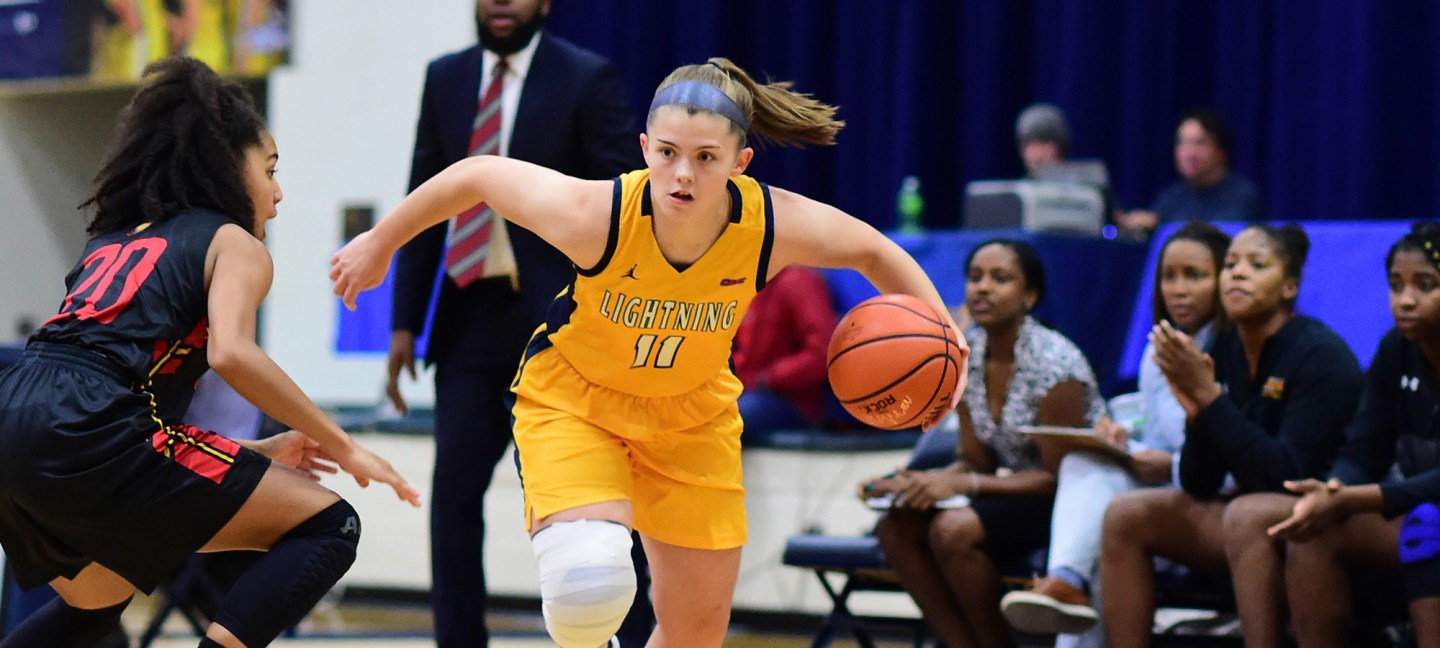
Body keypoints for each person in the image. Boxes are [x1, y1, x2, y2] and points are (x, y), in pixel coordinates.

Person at [331, 56, 966, 648]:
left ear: (741, 162)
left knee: (695, 631)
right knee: (588, 586)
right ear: (644, 149)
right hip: (577, 403)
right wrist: (380, 242)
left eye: (706, 157)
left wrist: (949, 342)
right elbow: (476, 174)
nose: (683, 173)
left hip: (693, 417)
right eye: (668, 153)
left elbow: (875, 252)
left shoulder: (771, 224)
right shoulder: (598, 214)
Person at [0, 57, 418, 648]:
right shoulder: (232, 242)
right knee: (332, 523)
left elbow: (117, 400)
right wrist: (345, 446)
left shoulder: (114, 241)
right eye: (270, 170)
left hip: (15, 412)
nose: (278, 193)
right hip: (89, 422)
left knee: (96, 602)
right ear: (225, 163)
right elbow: (232, 354)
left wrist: (255, 453)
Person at [383, 1, 651, 645]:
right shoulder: (446, 77)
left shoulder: (585, 76)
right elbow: (423, 199)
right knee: (453, 498)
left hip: (564, 324)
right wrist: (403, 325)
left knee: (593, 498)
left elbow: (625, 207)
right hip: (468, 315)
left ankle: (634, 636)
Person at [1098, 224, 1364, 648]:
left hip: (1323, 511)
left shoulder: (1320, 355)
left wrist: (1210, 402)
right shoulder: (1225, 348)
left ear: (1289, 287)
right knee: (1125, 513)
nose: (1238, 273)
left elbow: (1288, 475)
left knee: (1246, 514)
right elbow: (1198, 482)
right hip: (1248, 510)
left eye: (1257, 265)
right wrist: (1198, 418)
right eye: (1231, 264)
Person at [860, 239, 1108, 648]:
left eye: (1000, 278)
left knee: (953, 530)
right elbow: (975, 459)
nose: (983, 288)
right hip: (1013, 491)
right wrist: (916, 482)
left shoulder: (1057, 365)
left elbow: (1057, 478)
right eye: (975, 277)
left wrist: (963, 484)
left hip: (1070, 501)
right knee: (896, 527)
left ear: (1030, 297)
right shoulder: (962, 356)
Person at [999, 221, 1231, 640]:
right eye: (1169, 276)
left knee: (1115, 521)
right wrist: (1124, 437)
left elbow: (1239, 453)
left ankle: (1066, 584)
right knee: (1083, 462)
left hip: (1213, 495)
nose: (1178, 289)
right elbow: (1159, 432)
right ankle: (1065, 582)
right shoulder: (1158, 350)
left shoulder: (1236, 351)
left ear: (1224, 280)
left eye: (1194, 275)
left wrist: (1172, 465)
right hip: (1166, 485)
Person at [1215, 223, 1440, 647]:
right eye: (1396, 286)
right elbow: (1363, 448)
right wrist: (1334, 489)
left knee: (1426, 526)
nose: (1406, 300)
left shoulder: (1316, 353)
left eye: (1425, 286)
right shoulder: (1396, 348)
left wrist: (1352, 498)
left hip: (1425, 514)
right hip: (1410, 509)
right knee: (1313, 525)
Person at [732, 265, 838, 441]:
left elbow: (823, 352)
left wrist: (769, 378)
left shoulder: (797, 281)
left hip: (792, 401)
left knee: (727, 419)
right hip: (750, 389)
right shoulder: (749, 282)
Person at [1118, 108, 1262, 237]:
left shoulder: (1242, 195)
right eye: (1182, 142)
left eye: (1199, 142)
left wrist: (1160, 226)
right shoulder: (1173, 195)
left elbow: (1218, 239)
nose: (1189, 153)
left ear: (1221, 151)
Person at [1015, 103, 1069, 178]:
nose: (1038, 153)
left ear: (1060, 148)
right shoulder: (1019, 185)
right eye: (1031, 144)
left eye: (1044, 143)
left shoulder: (1076, 185)